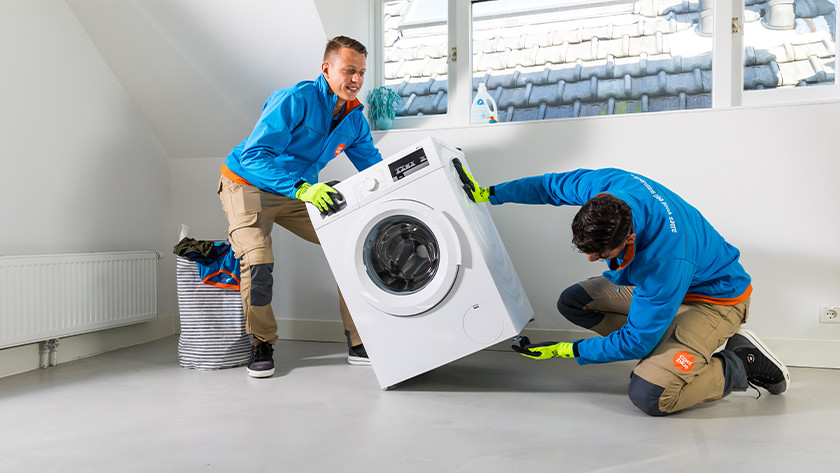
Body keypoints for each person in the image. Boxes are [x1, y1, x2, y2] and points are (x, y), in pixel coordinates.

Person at [453, 163, 790, 416]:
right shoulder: (610, 187)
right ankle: (669, 349)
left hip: (715, 301)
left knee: (651, 395)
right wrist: (492, 194)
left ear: (629, 238)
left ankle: (738, 365)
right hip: (669, 290)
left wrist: (568, 351)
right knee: (576, 302)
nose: (590, 259)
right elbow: (550, 187)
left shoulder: (664, 260)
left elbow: (636, 339)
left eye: (600, 255)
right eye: (585, 249)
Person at [218, 36, 382, 378]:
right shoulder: (295, 100)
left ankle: (359, 339)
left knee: (353, 246)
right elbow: (254, 156)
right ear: (327, 68)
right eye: (349, 70)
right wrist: (303, 188)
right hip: (247, 185)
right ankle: (261, 342)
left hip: (296, 192)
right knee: (259, 261)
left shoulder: (354, 120)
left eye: (362, 73)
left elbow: (375, 168)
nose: (356, 80)